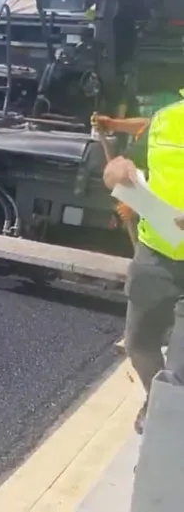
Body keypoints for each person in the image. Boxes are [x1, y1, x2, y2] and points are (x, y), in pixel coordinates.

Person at [99, 103, 184, 435]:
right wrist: (120, 177)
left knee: (178, 369)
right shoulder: (168, 118)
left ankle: (167, 433)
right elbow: (120, 170)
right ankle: (155, 399)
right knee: (138, 343)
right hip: (155, 257)